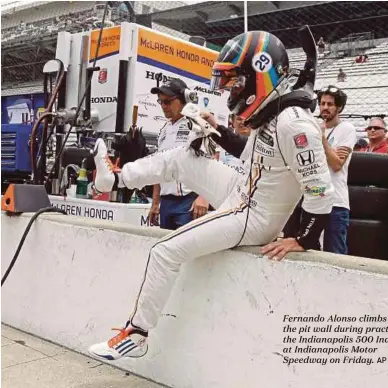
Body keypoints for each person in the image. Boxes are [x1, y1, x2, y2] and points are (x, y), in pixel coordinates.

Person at [88, 30, 334, 361]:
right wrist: (214, 130)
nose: (229, 89)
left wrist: (303, 239)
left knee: (164, 251)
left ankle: (138, 333)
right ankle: (114, 181)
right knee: (184, 158)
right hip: (243, 191)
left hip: (253, 214)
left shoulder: (294, 125)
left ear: (259, 76)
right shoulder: (273, 114)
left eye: (234, 81)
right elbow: (250, 154)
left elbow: (319, 188)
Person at [147, 79, 209, 230]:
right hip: (166, 202)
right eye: (160, 102)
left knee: (186, 250)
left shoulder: (197, 125)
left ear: (184, 100)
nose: (163, 106)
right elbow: (159, 169)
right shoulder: (164, 131)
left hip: (188, 201)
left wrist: (204, 197)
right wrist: (155, 203)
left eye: (167, 102)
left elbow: (210, 162)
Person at [318, 85, 357, 254]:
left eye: (330, 104)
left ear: (339, 107)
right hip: (315, 198)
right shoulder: (315, 126)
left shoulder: (346, 129)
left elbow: (336, 164)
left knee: (335, 253)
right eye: (322, 103)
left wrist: (322, 139)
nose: (325, 107)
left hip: (336, 202)